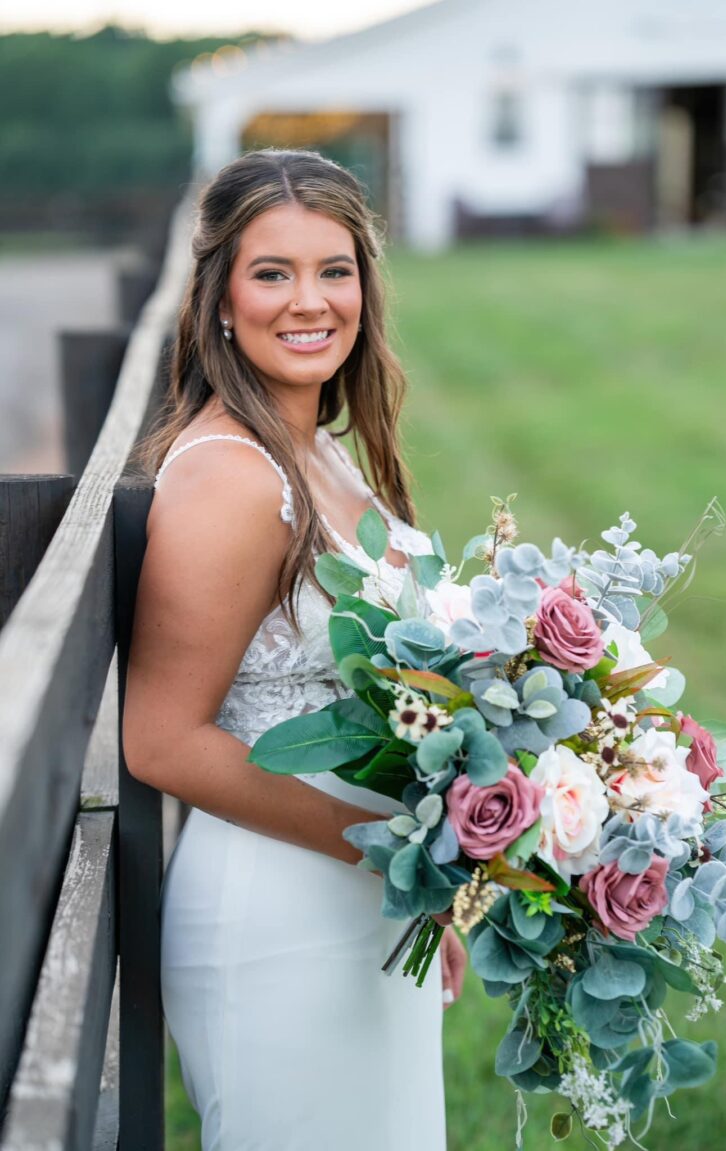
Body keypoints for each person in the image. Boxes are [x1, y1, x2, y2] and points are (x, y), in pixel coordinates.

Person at [123, 148, 466, 1151]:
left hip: (360, 903)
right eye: (272, 272)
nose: (309, 300)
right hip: (280, 916)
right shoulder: (233, 476)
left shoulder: (314, 447)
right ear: (220, 298)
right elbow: (162, 740)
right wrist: (397, 855)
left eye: (335, 268)